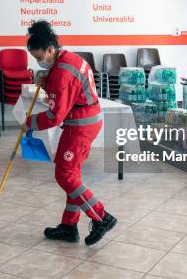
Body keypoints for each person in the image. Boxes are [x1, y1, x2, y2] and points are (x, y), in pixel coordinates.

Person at [23, 21, 117, 246]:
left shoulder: (62, 71)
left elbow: (55, 115)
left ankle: (101, 216)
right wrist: (47, 83)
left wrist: (31, 123)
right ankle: (68, 226)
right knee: (71, 174)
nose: (39, 62)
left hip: (81, 126)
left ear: (49, 49)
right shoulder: (66, 60)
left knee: (65, 175)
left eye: (39, 57)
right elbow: (65, 93)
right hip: (83, 121)